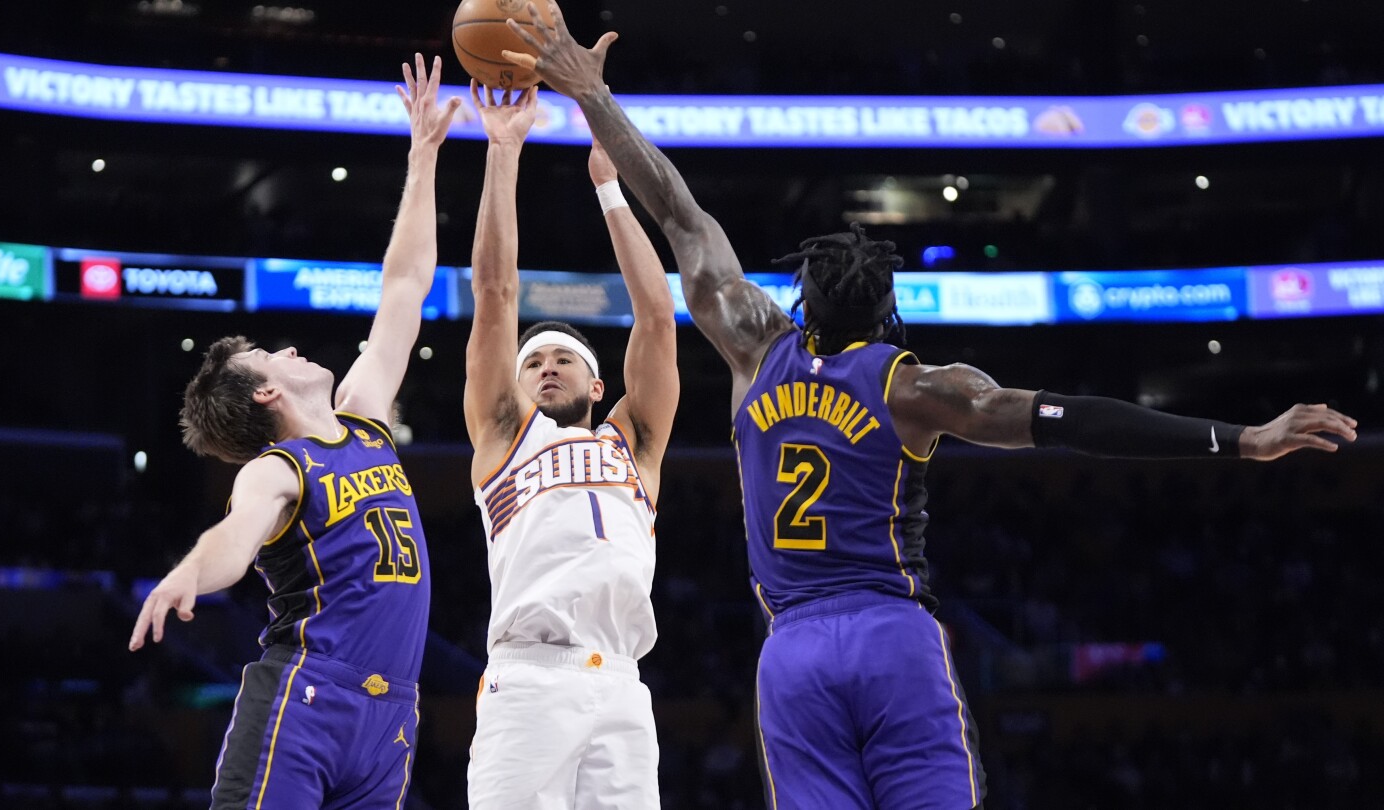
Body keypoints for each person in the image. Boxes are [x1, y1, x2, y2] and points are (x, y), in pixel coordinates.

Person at [499, 8, 1362, 809]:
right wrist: (1241, 439)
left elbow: (682, 217)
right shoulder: (918, 387)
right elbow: (1076, 419)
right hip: (891, 637)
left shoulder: (755, 345)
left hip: (792, 653)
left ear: (803, 302)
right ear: (885, 314)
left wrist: (592, 94)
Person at [126, 55, 461, 809]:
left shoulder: (366, 419)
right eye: (268, 354)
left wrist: (423, 156)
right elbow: (235, 539)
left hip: (391, 718)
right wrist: (189, 574)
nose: (288, 348)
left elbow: (405, 286)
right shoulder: (278, 469)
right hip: (306, 698)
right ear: (270, 389)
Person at [461, 79, 679, 810]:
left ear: (597, 386)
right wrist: (503, 150)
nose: (545, 365)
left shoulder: (634, 441)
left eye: (562, 359)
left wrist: (611, 189)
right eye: (532, 363)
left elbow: (657, 317)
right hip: (531, 679)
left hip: (621, 683)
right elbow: (494, 293)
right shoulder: (504, 434)